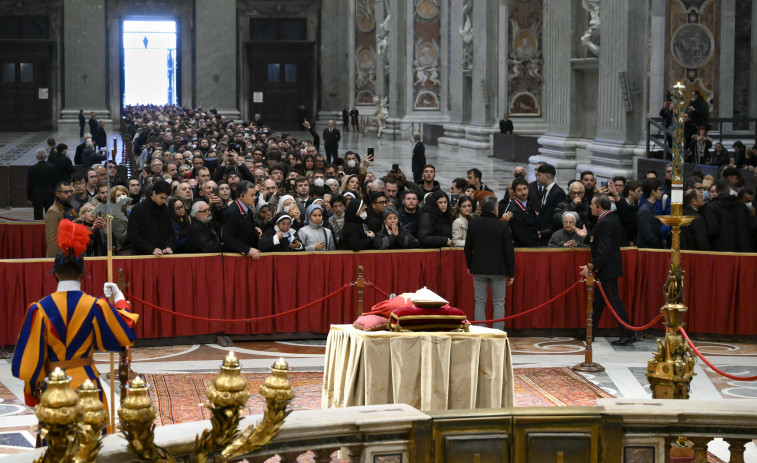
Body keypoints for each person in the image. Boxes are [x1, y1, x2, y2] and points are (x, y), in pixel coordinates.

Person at [12, 219, 138, 408]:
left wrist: (31, 394)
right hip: (89, 387)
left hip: (53, 389)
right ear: (82, 274)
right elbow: (124, 335)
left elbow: (31, 362)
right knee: (96, 435)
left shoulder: (38, 310)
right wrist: (119, 298)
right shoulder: (96, 306)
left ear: (55, 274)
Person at [579, 194, 635, 346]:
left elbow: (604, 250)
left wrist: (591, 267)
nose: (590, 206)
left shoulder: (606, 222)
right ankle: (590, 332)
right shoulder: (608, 219)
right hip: (607, 268)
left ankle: (628, 333)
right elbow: (600, 241)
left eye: (592, 204)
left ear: (599, 207)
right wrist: (587, 236)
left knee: (614, 301)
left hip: (607, 269)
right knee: (598, 302)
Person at [464, 195, 515, 330]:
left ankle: (480, 331)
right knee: (498, 303)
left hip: (478, 268)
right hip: (498, 269)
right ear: (495, 208)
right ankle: (498, 332)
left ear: (481, 208)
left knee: (480, 302)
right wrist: (511, 272)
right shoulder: (502, 225)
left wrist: (469, 265)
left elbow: (467, 247)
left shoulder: (473, 223)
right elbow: (509, 250)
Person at [126, 180, 176, 255]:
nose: (163, 201)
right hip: (142, 255)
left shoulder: (166, 210)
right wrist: (151, 249)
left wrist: (169, 246)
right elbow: (133, 235)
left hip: (162, 255)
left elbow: (171, 233)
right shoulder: (138, 209)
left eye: (166, 198)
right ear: (154, 193)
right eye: (162, 198)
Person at [222, 180, 262, 259]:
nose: (255, 197)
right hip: (235, 257)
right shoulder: (231, 212)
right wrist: (247, 250)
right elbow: (227, 238)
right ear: (242, 196)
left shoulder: (248, 209)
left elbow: (242, 228)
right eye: (252, 195)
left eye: (255, 194)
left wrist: (254, 230)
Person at [45, 181, 78, 257]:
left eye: (70, 191)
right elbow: (52, 241)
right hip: (60, 257)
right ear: (57, 194)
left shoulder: (69, 208)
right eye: (66, 192)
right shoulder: (53, 211)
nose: (69, 194)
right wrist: (59, 260)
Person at [536, 163, 566, 244]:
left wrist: (544, 233)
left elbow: (558, 219)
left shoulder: (558, 193)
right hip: (542, 236)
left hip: (551, 237)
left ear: (546, 176)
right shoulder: (545, 191)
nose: (537, 177)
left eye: (539, 175)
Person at [507, 177, 540, 247]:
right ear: (514, 192)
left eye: (525, 189)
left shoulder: (527, 204)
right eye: (519, 190)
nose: (523, 193)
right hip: (525, 249)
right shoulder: (515, 210)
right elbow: (521, 236)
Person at [27, 149, 58, 220]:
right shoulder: (52, 167)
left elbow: (30, 184)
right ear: (46, 156)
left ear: (36, 157)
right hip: (49, 195)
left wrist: (29, 197)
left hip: (36, 195)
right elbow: (55, 182)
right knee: (51, 216)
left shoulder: (31, 169)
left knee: (38, 217)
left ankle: (38, 230)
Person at [635, 178, 665, 249]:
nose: (662, 192)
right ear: (653, 192)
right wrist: (660, 249)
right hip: (649, 252)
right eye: (660, 189)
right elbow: (649, 236)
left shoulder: (651, 207)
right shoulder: (645, 211)